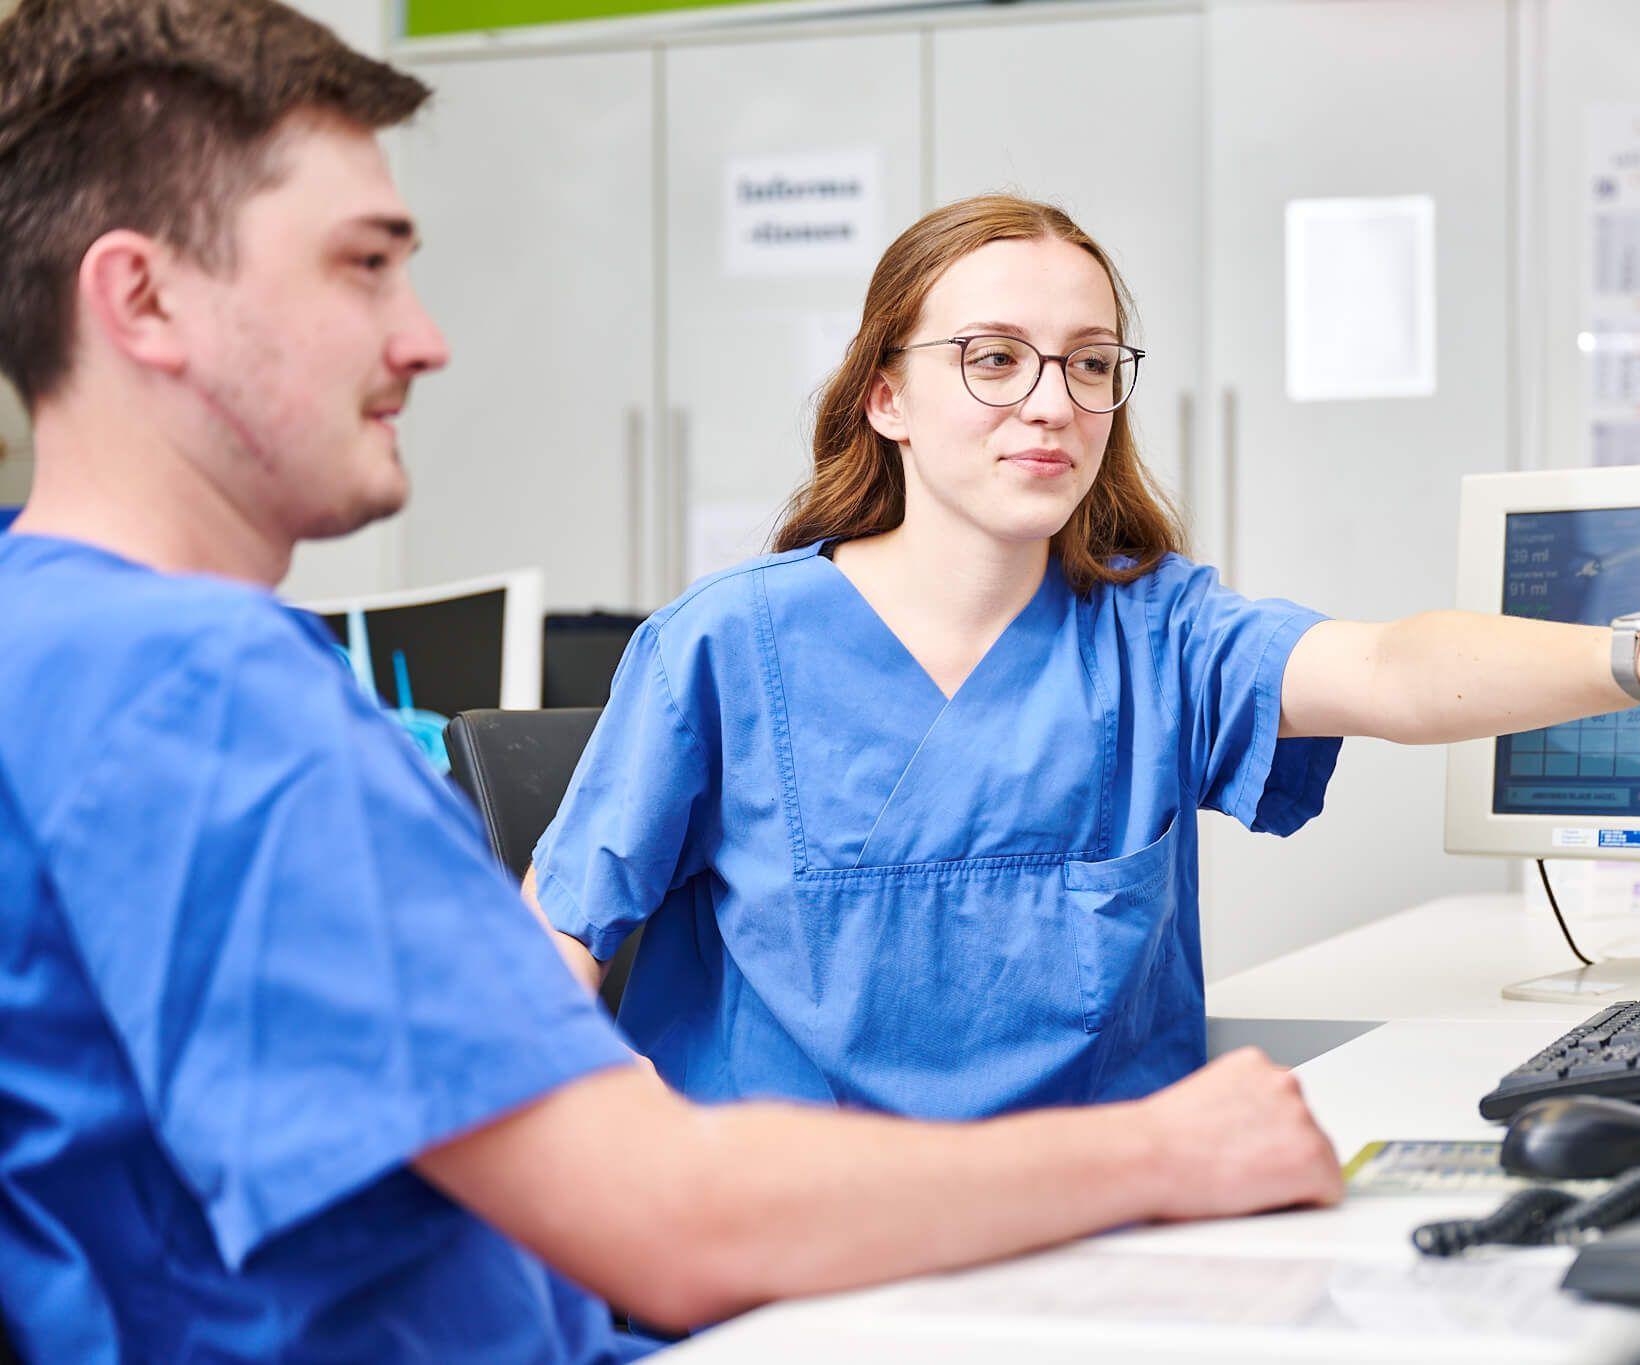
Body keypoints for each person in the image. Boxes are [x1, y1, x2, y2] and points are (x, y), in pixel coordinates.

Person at [0, 3, 1343, 1360]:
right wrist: (1167, 1146)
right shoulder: (202, 700)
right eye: (363, 266)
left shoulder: (57, 642)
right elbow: (670, 1221)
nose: (423, 339)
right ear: (144, 297)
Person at [532, 194, 1640, 1119]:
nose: (1052, 401)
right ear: (886, 395)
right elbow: (555, 950)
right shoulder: (723, 646)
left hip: (1093, 1251)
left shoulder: (1156, 632)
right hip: (792, 1271)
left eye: (1090, 362)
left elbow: (1395, 668)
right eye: (993, 359)